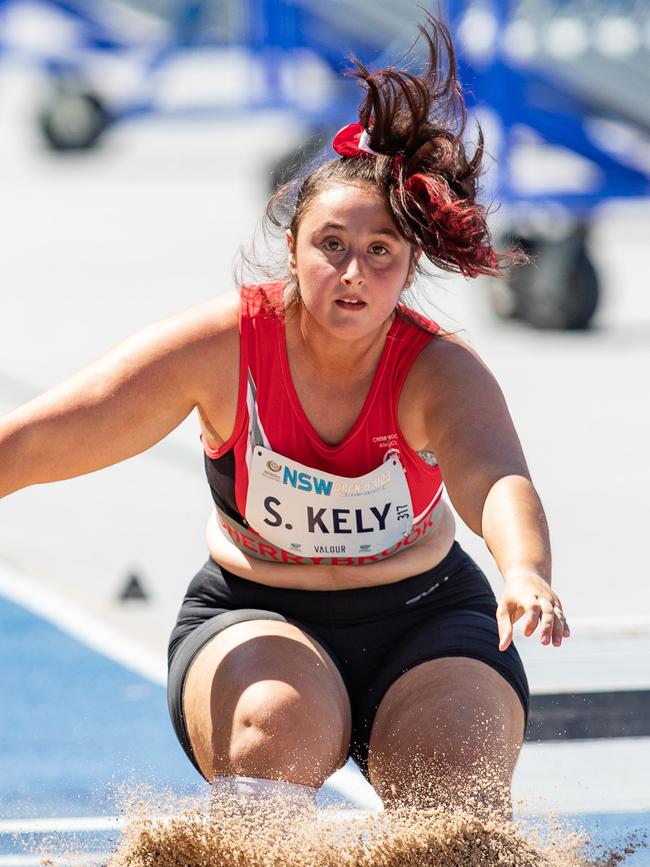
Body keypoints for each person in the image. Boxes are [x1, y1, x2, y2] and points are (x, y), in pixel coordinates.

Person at [0, 17, 568, 819]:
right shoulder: (224, 347)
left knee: (457, 795)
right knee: (273, 730)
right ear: (293, 246)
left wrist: (524, 570)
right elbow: (60, 429)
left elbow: (496, 475)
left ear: (407, 269)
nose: (351, 272)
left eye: (379, 253)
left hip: (429, 616)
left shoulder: (437, 369)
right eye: (331, 244)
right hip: (255, 613)